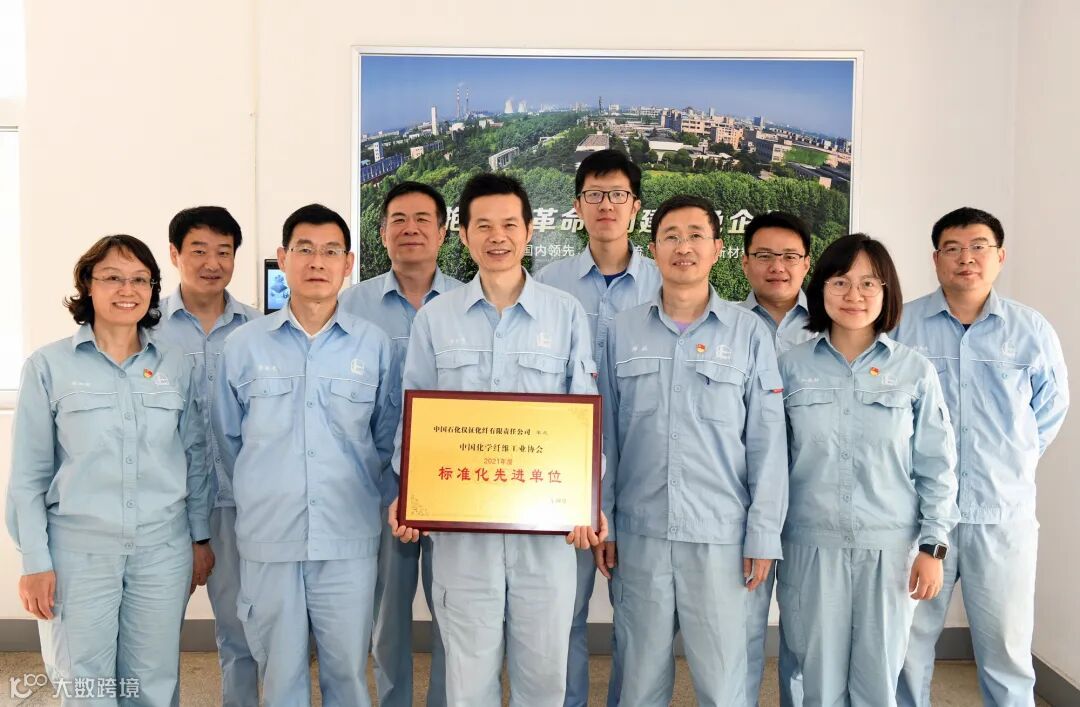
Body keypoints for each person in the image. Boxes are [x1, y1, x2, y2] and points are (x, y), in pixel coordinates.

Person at [390, 173, 607, 707]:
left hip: (546, 534)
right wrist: (408, 493)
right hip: (463, 538)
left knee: (544, 681)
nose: (497, 237)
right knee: (468, 683)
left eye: (509, 224)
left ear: (529, 231)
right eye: (483, 225)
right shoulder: (435, 319)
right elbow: (412, 415)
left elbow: (584, 416)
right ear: (463, 235)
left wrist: (587, 498)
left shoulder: (565, 314)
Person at [597, 194, 787, 706]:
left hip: (721, 536)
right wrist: (604, 520)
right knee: (638, 679)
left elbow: (768, 441)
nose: (684, 247)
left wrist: (763, 532)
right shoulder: (622, 331)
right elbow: (605, 435)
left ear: (718, 248)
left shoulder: (748, 333)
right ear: (653, 248)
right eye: (672, 237)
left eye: (696, 236)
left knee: (724, 682)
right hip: (640, 532)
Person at [7, 235, 209, 705]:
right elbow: (28, 477)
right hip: (78, 553)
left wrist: (200, 538)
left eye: (140, 279)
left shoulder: (175, 366)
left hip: (161, 550)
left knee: (153, 682)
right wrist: (34, 561)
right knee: (85, 684)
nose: (127, 289)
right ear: (88, 285)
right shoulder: (48, 366)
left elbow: (195, 457)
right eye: (113, 277)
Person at [214, 204, 398, 706]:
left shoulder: (374, 346)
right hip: (270, 538)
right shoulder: (244, 346)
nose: (318, 261)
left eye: (331, 251)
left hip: (347, 538)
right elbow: (228, 440)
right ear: (283, 258)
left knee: (348, 675)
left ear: (348, 263)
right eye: (305, 249)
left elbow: (384, 439)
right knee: (280, 676)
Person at [894, 208, 1070, 707]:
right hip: (919, 516)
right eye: (952, 248)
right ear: (936, 259)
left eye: (978, 247)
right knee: (906, 645)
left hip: (1001, 517)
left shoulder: (1031, 330)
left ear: (1000, 256)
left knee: (1007, 651)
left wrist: (1008, 462)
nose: (966, 258)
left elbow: (1050, 411)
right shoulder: (903, 325)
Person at [777, 233, 959, 706]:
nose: (854, 295)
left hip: (889, 548)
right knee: (817, 681)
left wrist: (933, 546)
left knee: (879, 680)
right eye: (840, 282)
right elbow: (770, 462)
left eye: (868, 283)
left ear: (886, 291)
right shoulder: (790, 368)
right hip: (810, 546)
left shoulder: (914, 371)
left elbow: (937, 466)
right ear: (821, 289)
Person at [533, 149, 660, 707]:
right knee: (562, 612)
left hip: (643, 464)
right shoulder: (548, 283)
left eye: (617, 195)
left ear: (635, 206)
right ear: (577, 206)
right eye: (594, 195)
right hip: (562, 467)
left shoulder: (664, 281)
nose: (606, 205)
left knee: (640, 620)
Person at [340, 181, 462, 707]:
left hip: (456, 486)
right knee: (387, 617)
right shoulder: (352, 305)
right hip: (379, 485)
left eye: (422, 219)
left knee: (455, 612)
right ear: (382, 232)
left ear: (443, 232)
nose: (410, 229)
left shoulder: (468, 301)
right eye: (398, 220)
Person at [155, 206, 260, 707]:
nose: (212, 263)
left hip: (238, 503)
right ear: (174, 254)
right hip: (167, 506)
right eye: (198, 250)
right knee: (154, 639)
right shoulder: (146, 327)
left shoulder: (260, 329)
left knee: (242, 631)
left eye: (224, 251)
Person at [739, 210, 815, 707]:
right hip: (745, 504)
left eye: (789, 256)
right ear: (745, 262)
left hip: (811, 502)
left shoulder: (833, 324)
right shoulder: (726, 324)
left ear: (807, 263)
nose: (777, 266)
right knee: (741, 632)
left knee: (806, 637)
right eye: (764, 255)